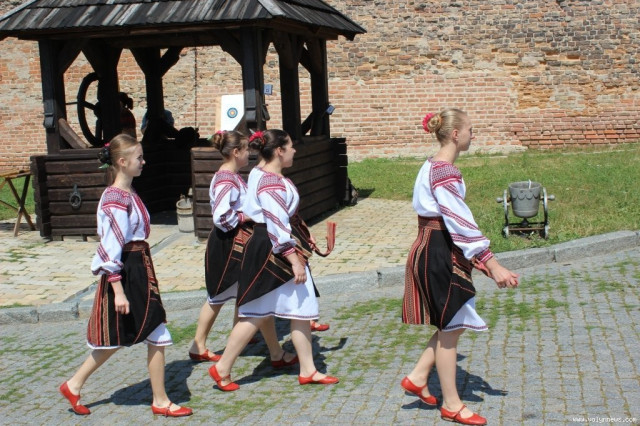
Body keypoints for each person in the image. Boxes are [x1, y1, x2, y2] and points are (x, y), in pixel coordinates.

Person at [58, 134, 192, 418]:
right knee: (154, 331)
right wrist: (118, 290)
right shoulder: (116, 199)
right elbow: (110, 247)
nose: (144, 162)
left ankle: (74, 384)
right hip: (127, 271)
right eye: (139, 158)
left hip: (138, 267)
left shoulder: (128, 192)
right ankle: (160, 401)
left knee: (125, 334)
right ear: (122, 161)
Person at [401, 109, 519, 426]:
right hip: (439, 251)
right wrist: (491, 262)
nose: (472, 135)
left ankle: (418, 376)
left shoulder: (431, 165)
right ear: (456, 134)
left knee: (452, 322)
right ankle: (452, 404)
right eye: (470, 130)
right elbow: (459, 221)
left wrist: (478, 260)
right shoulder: (444, 172)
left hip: (434, 246)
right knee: (452, 327)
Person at [209, 129, 339, 391]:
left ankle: (307, 369)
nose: (294, 150)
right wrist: (294, 259)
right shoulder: (270, 182)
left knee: (298, 308)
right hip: (271, 249)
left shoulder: (264, 173)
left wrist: (302, 237)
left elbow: (283, 217)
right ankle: (222, 367)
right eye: (290, 146)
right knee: (255, 312)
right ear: (279, 151)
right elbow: (276, 224)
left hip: (271, 245)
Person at [188, 130, 297, 369]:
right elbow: (221, 217)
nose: (249, 153)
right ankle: (198, 345)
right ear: (236, 152)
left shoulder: (233, 176)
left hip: (238, 239)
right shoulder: (226, 179)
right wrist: (246, 216)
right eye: (246, 149)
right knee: (218, 295)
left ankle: (267, 346)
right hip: (228, 242)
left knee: (250, 293)